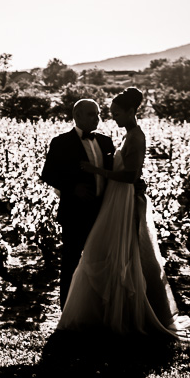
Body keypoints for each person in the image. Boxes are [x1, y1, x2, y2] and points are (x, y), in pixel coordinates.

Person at [56, 87, 190, 338]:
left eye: (113, 113)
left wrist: (102, 173)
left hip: (117, 203)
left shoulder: (127, 137)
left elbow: (130, 174)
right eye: (104, 113)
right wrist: (76, 186)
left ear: (131, 111)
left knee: (116, 254)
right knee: (87, 257)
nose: (108, 118)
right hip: (99, 205)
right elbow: (51, 174)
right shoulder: (73, 141)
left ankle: (113, 312)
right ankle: (81, 310)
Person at [41, 99, 115, 308]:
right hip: (75, 212)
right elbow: (48, 174)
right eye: (92, 114)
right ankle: (67, 309)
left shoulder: (106, 142)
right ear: (78, 116)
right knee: (71, 260)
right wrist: (73, 188)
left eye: (98, 114)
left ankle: (95, 307)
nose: (97, 118)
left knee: (101, 261)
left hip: (103, 211)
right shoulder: (61, 142)